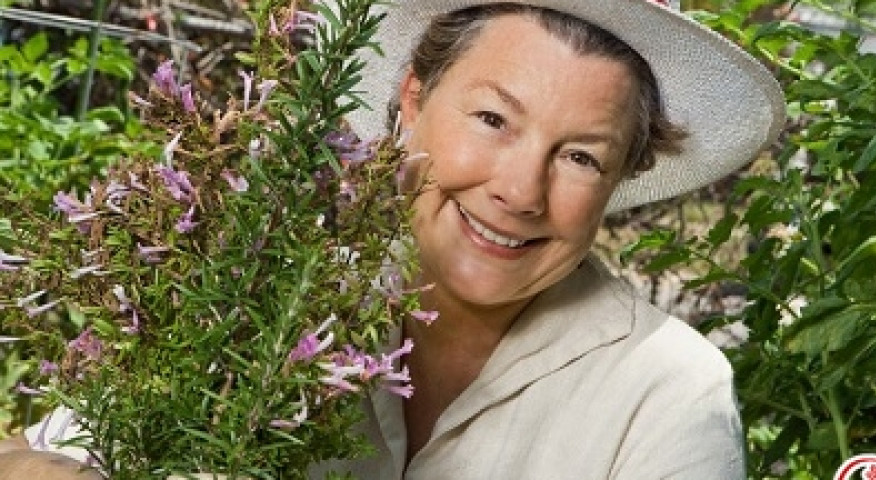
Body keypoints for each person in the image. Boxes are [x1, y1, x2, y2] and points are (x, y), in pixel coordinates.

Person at [0, 0, 783, 478]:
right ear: (413, 100)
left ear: (623, 175)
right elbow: (33, 454)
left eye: (580, 156)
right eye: (492, 119)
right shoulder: (263, 288)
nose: (520, 191)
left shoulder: (666, 393)